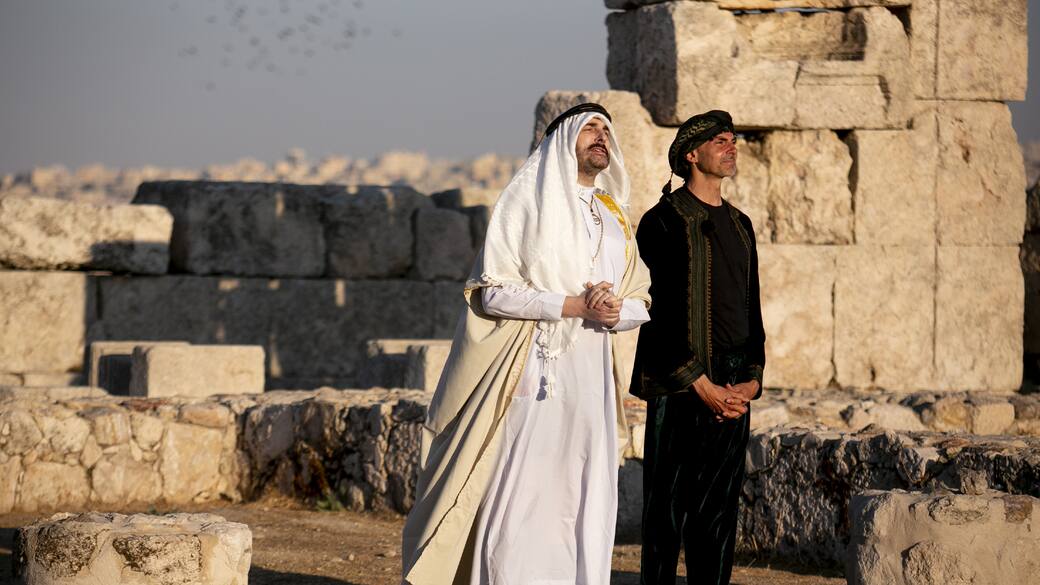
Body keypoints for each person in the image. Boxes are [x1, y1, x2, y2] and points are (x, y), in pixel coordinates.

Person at [401, 103, 652, 585]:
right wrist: (573, 306)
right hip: (532, 370)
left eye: (605, 129)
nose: (600, 135)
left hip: (592, 378)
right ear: (561, 142)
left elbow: (641, 300)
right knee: (520, 491)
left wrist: (614, 311)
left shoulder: (614, 216)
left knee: (582, 490)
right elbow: (491, 291)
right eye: (588, 127)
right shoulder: (526, 203)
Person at [631, 110, 766, 585]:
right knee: (666, 515)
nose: (731, 148)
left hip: (733, 388)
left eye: (733, 140)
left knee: (719, 515)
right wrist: (700, 383)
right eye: (720, 141)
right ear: (691, 154)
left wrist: (751, 381)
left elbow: (751, 309)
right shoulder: (662, 221)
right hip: (680, 384)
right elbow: (656, 312)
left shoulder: (742, 224)